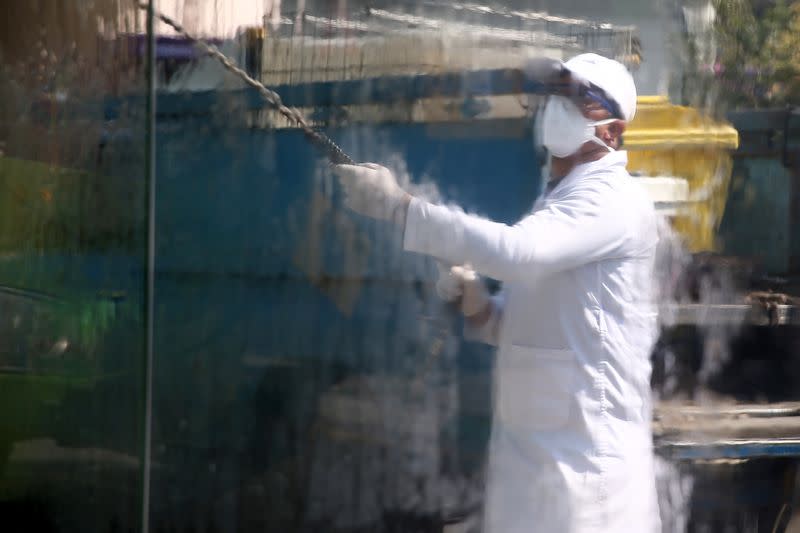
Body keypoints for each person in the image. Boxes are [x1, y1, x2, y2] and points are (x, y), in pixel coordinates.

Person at [332, 53, 661, 533]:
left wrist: (400, 208)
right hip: (532, 469)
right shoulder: (559, 198)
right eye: (554, 95)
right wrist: (483, 306)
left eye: (578, 101)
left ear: (613, 130)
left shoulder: (613, 202)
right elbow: (541, 326)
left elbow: (518, 253)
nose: (557, 108)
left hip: (589, 482)